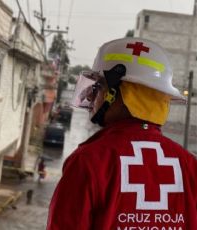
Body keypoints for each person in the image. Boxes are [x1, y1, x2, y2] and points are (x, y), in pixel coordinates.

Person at [46, 37, 197, 229]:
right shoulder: (190, 165)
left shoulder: (89, 161)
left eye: (99, 87)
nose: (92, 96)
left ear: (119, 94)